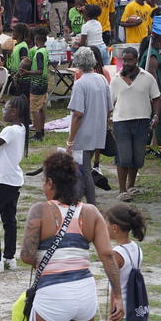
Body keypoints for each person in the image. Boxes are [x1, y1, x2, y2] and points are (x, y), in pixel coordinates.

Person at [21, 151, 124, 321]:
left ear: (51, 182)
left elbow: (27, 256)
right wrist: (117, 296)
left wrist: (50, 257)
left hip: (53, 295)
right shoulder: (90, 212)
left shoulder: (40, 211)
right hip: (84, 294)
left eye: (44, 181)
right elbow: (107, 255)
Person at [0, 96, 29, 272]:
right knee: (9, 219)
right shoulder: (20, 129)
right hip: (13, 180)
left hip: (1, 180)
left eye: (5, 109)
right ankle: (10, 257)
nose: (3, 112)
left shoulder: (10, 130)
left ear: (14, 112)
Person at [110, 47, 161, 199]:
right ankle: (122, 190)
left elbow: (157, 98)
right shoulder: (116, 80)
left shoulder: (147, 78)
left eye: (130, 60)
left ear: (137, 60)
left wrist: (156, 115)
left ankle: (131, 186)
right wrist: (107, 120)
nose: (126, 63)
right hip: (121, 121)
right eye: (124, 60)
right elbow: (110, 102)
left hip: (142, 120)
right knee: (123, 155)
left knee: (137, 156)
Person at [67, 47, 112, 204]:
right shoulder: (102, 79)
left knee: (85, 170)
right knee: (85, 168)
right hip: (99, 130)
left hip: (84, 133)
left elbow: (78, 114)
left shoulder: (80, 84)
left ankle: (90, 204)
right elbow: (109, 108)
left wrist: (70, 141)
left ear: (77, 63)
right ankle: (80, 201)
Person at [139, 33, 161, 156]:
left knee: (151, 118)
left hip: (159, 90)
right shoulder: (151, 54)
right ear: (156, 42)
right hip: (157, 92)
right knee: (160, 118)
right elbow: (151, 74)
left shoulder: (153, 53)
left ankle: (146, 146)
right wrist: (156, 95)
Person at [24, 27, 50, 141]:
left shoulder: (39, 53)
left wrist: (27, 72)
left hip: (37, 84)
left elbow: (39, 71)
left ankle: (38, 134)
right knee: (41, 108)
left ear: (36, 39)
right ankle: (42, 130)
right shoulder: (45, 50)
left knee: (35, 109)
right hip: (43, 83)